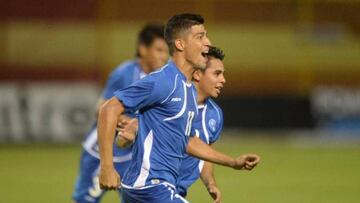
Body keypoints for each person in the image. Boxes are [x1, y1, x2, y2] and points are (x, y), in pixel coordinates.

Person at [98, 13, 260, 203]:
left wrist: (232, 162)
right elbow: (109, 109)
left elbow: (188, 142)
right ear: (180, 44)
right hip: (151, 186)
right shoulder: (164, 80)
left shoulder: (188, 89)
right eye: (200, 37)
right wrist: (107, 167)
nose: (207, 42)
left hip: (153, 188)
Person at [72, 23, 168, 203]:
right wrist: (125, 121)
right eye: (159, 50)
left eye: (166, 51)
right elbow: (100, 108)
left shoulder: (165, 78)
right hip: (100, 151)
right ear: (143, 49)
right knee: (85, 200)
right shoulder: (124, 73)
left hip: (133, 155)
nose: (164, 56)